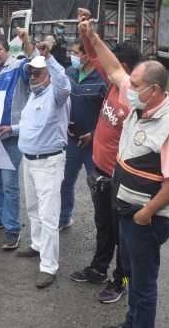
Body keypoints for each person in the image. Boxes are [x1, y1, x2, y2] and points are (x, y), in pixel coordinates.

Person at [81, 18, 169, 328]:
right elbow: (115, 68)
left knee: (143, 285)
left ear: (154, 90)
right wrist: (93, 37)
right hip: (127, 210)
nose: (129, 87)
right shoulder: (142, 104)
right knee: (133, 275)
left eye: (137, 85)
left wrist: (145, 214)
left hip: (146, 218)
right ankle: (131, 322)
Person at [69, 32, 141, 305]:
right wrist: (87, 31)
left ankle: (121, 280)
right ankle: (98, 269)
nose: (108, 69)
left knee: (123, 236)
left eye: (115, 65)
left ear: (124, 67)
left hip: (119, 179)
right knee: (103, 226)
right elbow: (93, 53)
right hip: (99, 170)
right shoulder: (113, 85)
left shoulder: (131, 98)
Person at [11, 44, 71, 289]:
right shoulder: (33, 96)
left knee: (48, 216)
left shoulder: (56, 95)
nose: (33, 76)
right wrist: (12, 129)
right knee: (33, 207)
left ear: (49, 74)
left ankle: (48, 266)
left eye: (38, 72)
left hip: (49, 162)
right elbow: (29, 125)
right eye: (31, 73)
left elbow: (65, 85)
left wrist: (49, 58)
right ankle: (37, 245)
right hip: (30, 159)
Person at [0, 29, 34, 250]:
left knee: (10, 185)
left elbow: (34, 63)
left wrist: (27, 41)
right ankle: (2, 218)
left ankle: (13, 230)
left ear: (7, 50)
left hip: (12, 136)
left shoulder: (19, 67)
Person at [58, 40, 107, 232]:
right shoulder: (70, 72)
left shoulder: (103, 79)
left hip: (94, 144)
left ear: (88, 55)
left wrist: (94, 134)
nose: (73, 56)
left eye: (76, 52)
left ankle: (103, 229)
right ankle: (64, 218)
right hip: (71, 139)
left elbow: (108, 114)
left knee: (97, 188)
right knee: (64, 181)